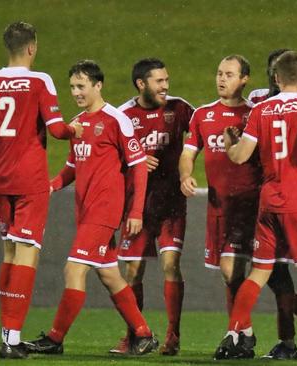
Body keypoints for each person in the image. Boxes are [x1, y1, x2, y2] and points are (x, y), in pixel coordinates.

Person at [214, 51, 297, 363]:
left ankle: (233, 332)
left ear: (275, 78)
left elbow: (241, 155)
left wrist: (229, 143)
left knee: (259, 271)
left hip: (268, 201)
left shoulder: (262, 110)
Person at [25, 60, 158, 356]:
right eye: (72, 86)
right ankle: (144, 334)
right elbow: (73, 166)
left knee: (73, 270)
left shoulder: (116, 119)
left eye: (81, 86)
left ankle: (55, 339)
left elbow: (138, 167)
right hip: (85, 212)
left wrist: (136, 212)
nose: (75, 92)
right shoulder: (78, 122)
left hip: (104, 210)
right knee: (109, 274)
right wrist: (50, 185)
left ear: (98, 86)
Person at [0, 21, 81, 359]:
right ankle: (13, 339)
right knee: (27, 254)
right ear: (32, 48)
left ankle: (7, 333)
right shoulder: (39, 81)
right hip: (30, 179)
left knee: (9, 252)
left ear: (9, 47)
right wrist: (76, 130)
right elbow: (58, 129)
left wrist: (1, 142)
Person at [180, 54, 265, 354]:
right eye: (219, 73)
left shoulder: (256, 114)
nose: (221, 79)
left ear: (245, 80)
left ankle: (235, 332)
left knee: (240, 271)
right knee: (231, 273)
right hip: (218, 207)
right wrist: (186, 176)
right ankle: (247, 333)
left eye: (229, 74)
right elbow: (188, 153)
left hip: (250, 205)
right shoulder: (202, 115)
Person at [111, 58, 193, 356]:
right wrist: (134, 159)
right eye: (159, 81)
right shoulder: (122, 116)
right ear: (141, 84)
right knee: (133, 272)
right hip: (138, 208)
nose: (166, 86)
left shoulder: (180, 109)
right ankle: (135, 335)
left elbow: (202, 135)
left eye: (167, 80)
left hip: (172, 204)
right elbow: (108, 157)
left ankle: (173, 336)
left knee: (171, 264)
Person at [245, 48, 297, 360]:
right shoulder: (258, 99)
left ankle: (282, 337)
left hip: (282, 194)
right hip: (258, 193)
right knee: (270, 272)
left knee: (271, 271)